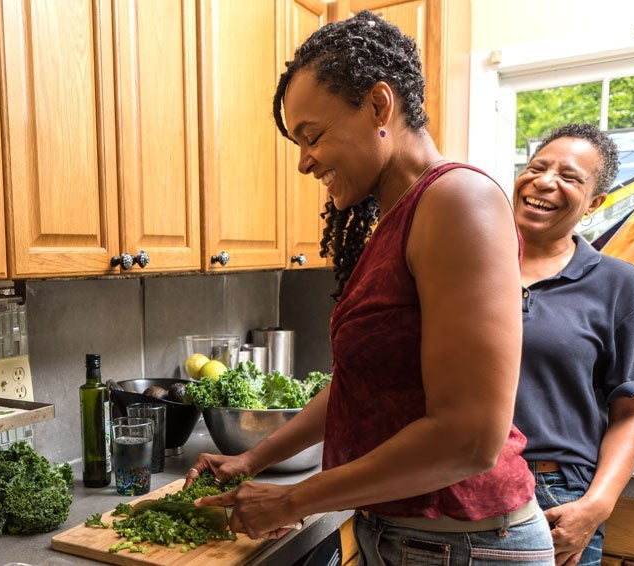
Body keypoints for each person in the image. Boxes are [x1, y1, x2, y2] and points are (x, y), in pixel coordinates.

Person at [185, 11, 554, 563]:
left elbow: (470, 438)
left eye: (313, 136)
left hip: (468, 548)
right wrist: (252, 458)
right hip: (413, 542)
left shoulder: (458, 201)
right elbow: (358, 386)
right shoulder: (400, 219)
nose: (306, 161)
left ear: (380, 105)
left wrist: (292, 501)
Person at [512, 123, 634, 565]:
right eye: (537, 167)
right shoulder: (470, 263)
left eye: (570, 177)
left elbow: (632, 409)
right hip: (453, 481)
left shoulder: (617, 283)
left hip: (554, 494)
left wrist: (596, 506)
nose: (545, 181)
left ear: (595, 203)